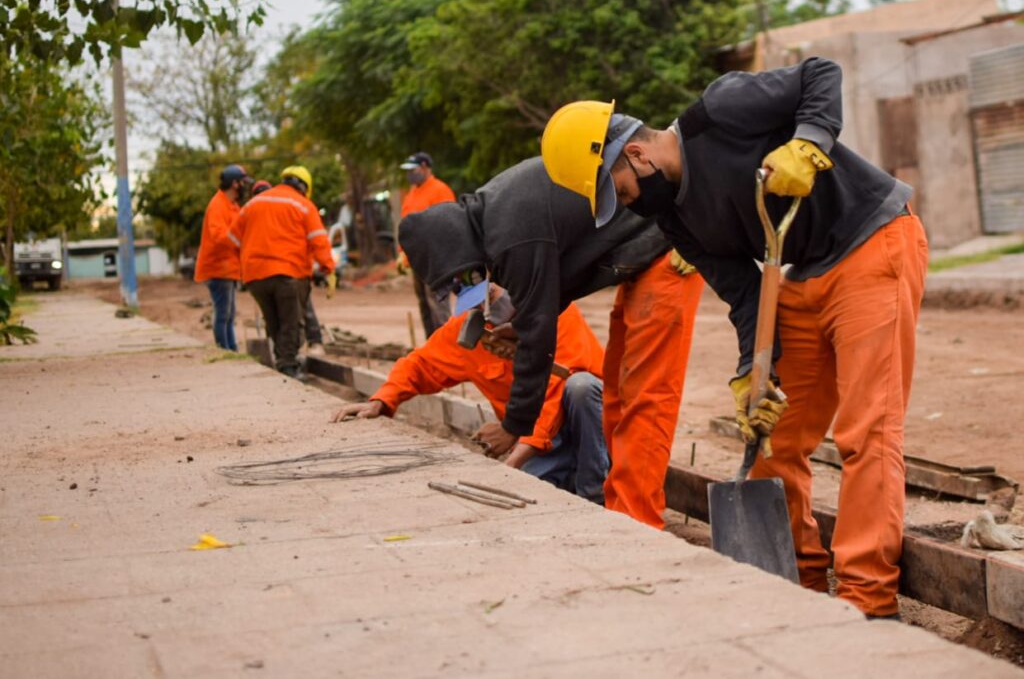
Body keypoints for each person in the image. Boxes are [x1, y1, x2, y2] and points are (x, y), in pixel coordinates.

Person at [541, 56, 929, 620]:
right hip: (801, 274)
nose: (627, 206)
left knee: (866, 430)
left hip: (874, 242)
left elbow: (821, 73)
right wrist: (754, 371)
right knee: (773, 435)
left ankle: (867, 600)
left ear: (635, 153)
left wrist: (809, 142)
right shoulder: (675, 220)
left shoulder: (719, 111)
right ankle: (797, 575)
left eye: (620, 193)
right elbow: (746, 294)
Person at [399, 155, 703, 529]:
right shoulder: (496, 220)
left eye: (468, 280)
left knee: (644, 397)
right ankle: (618, 505)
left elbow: (541, 338)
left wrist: (512, 427)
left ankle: (635, 522)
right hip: (639, 259)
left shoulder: (511, 236)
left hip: (663, 251)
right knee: (621, 397)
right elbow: (544, 305)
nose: (474, 291)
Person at [332, 284, 608, 502]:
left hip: (592, 428)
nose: (484, 308)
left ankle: (595, 494)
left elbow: (552, 397)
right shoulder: (471, 329)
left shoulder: (556, 311)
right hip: (537, 442)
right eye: (476, 303)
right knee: (535, 494)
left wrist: (510, 458)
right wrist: (382, 399)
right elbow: (421, 365)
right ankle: (566, 483)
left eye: (489, 297)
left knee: (580, 387)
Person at [229, 165, 335, 379]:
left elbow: (232, 239)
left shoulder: (252, 205)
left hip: (255, 277)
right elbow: (319, 240)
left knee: (274, 321)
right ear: (304, 186)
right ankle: (288, 367)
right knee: (291, 322)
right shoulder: (304, 206)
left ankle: (282, 361)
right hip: (288, 273)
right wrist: (328, 269)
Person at [397, 151, 456, 337]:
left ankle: (447, 347)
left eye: (412, 170)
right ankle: (432, 348)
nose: (409, 175)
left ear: (425, 167)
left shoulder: (440, 190)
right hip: (417, 260)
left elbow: (449, 224)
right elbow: (406, 227)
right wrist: (403, 253)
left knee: (438, 306)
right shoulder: (411, 195)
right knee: (424, 305)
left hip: (436, 259)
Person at [194, 164, 251, 351]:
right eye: (242, 182)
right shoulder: (217, 205)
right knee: (223, 313)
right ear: (234, 184)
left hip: (229, 268)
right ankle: (224, 349)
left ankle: (232, 349)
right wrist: (240, 243)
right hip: (218, 268)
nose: (244, 186)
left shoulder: (232, 206)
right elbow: (220, 236)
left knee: (230, 313)